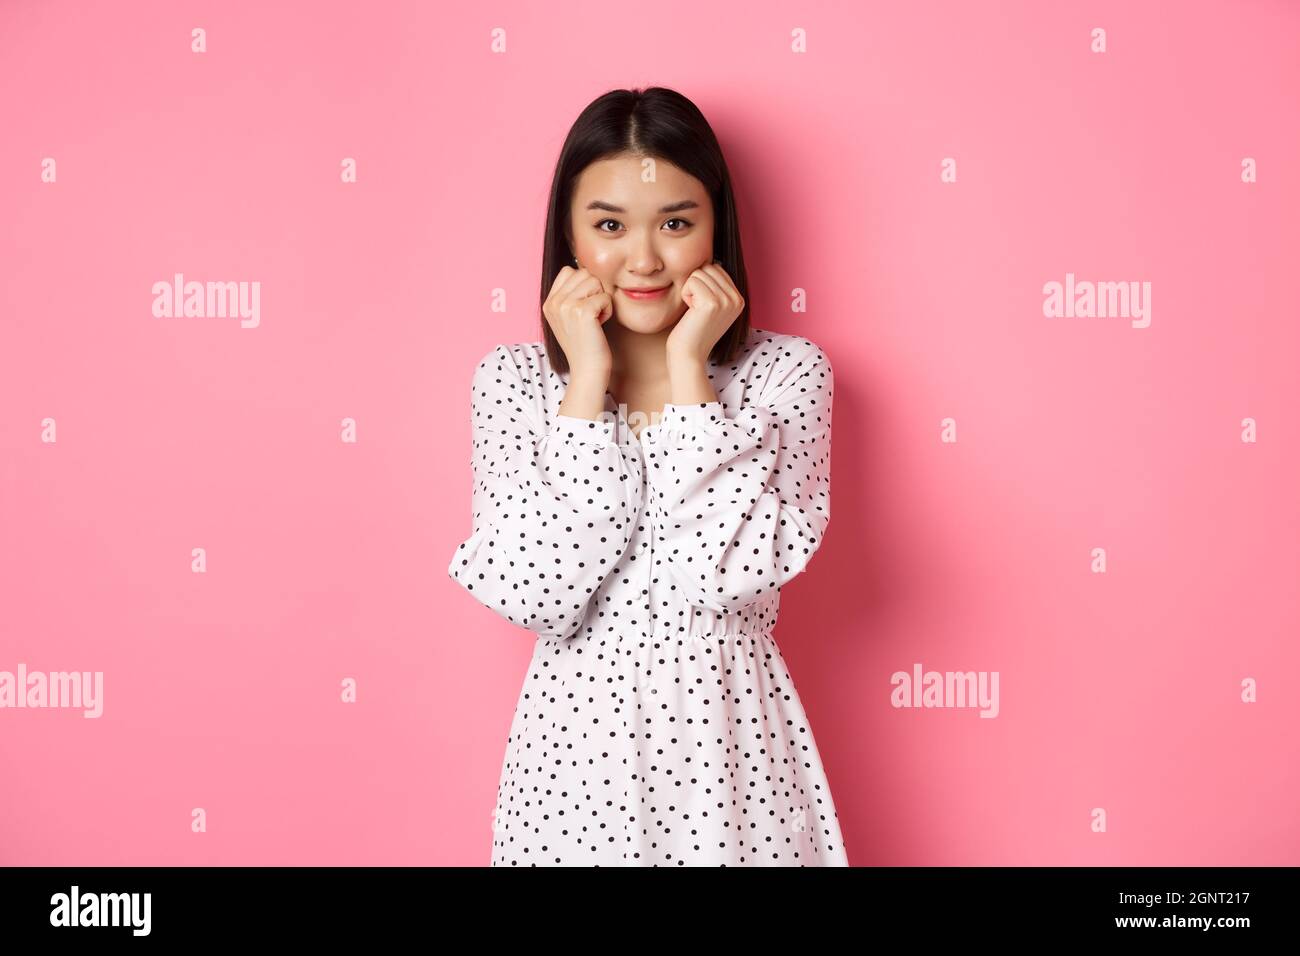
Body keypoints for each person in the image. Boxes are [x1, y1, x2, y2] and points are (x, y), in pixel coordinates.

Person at [447, 86, 848, 866]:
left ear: (716, 227)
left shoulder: (784, 377)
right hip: (569, 772)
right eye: (608, 225)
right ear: (567, 233)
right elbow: (537, 594)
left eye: (675, 222)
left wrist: (691, 373)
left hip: (732, 764)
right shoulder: (514, 385)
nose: (642, 259)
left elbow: (724, 573)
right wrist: (587, 384)